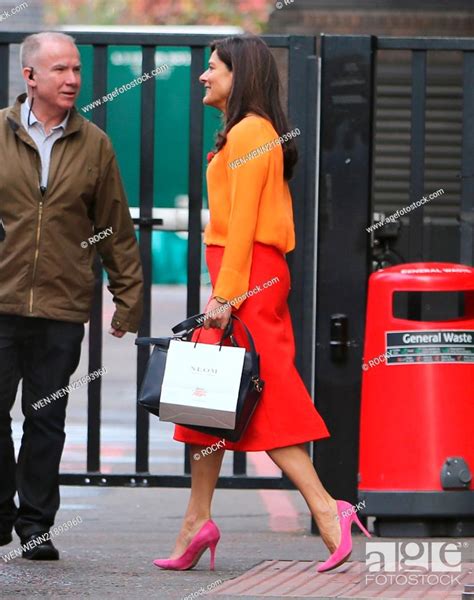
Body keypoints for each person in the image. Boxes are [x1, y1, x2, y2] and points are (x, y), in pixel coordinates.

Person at [153, 34, 370, 574]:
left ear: (239, 76)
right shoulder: (249, 132)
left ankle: (327, 509)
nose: (204, 77)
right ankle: (196, 521)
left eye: (212, 68)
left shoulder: (252, 132)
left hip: (247, 276)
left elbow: (245, 222)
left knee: (261, 394)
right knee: (209, 398)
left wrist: (226, 293)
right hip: (243, 272)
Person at [0, 32, 143, 560]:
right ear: (30, 77)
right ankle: (0, 513)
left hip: (61, 308)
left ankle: (36, 526)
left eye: (77, 70)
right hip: (0, 303)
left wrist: (128, 298)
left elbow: (114, 227)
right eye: (60, 69)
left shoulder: (94, 144)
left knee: (46, 420)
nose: (73, 80)